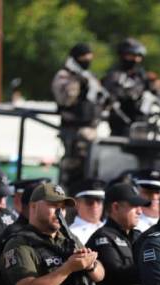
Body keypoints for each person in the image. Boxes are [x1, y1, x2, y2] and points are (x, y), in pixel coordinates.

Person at [52, 43, 103, 191]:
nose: (87, 59)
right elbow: (64, 100)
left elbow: (98, 100)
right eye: (83, 57)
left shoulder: (90, 76)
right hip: (72, 131)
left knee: (89, 169)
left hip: (90, 130)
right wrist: (77, 84)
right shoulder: (65, 75)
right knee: (71, 169)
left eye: (89, 56)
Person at [102, 38, 160, 137]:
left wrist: (155, 87)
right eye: (132, 56)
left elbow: (158, 95)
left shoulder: (141, 75)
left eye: (138, 56)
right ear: (123, 55)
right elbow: (112, 95)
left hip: (141, 124)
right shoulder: (115, 75)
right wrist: (132, 93)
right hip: (121, 124)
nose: (136, 60)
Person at [69, 178, 107, 244]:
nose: (95, 206)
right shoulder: (70, 234)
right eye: (89, 202)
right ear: (76, 204)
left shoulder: (110, 229)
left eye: (99, 201)